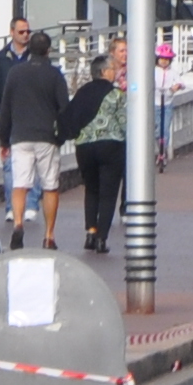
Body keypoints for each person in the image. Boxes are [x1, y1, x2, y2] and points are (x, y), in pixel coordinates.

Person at [0, 24, 70, 248]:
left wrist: (4, 140)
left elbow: (5, 108)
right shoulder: (54, 75)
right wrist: (61, 136)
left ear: (30, 49)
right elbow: (64, 108)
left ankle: (17, 223)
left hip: (20, 136)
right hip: (46, 136)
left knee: (20, 184)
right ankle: (49, 235)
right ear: (48, 50)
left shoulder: (16, 72)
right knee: (50, 186)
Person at [65, 45, 131, 249]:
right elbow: (125, 122)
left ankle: (90, 232)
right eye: (113, 69)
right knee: (109, 192)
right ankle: (102, 237)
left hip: (84, 147)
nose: (116, 72)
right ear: (104, 72)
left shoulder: (81, 93)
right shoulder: (117, 94)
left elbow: (71, 117)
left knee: (91, 189)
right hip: (110, 146)